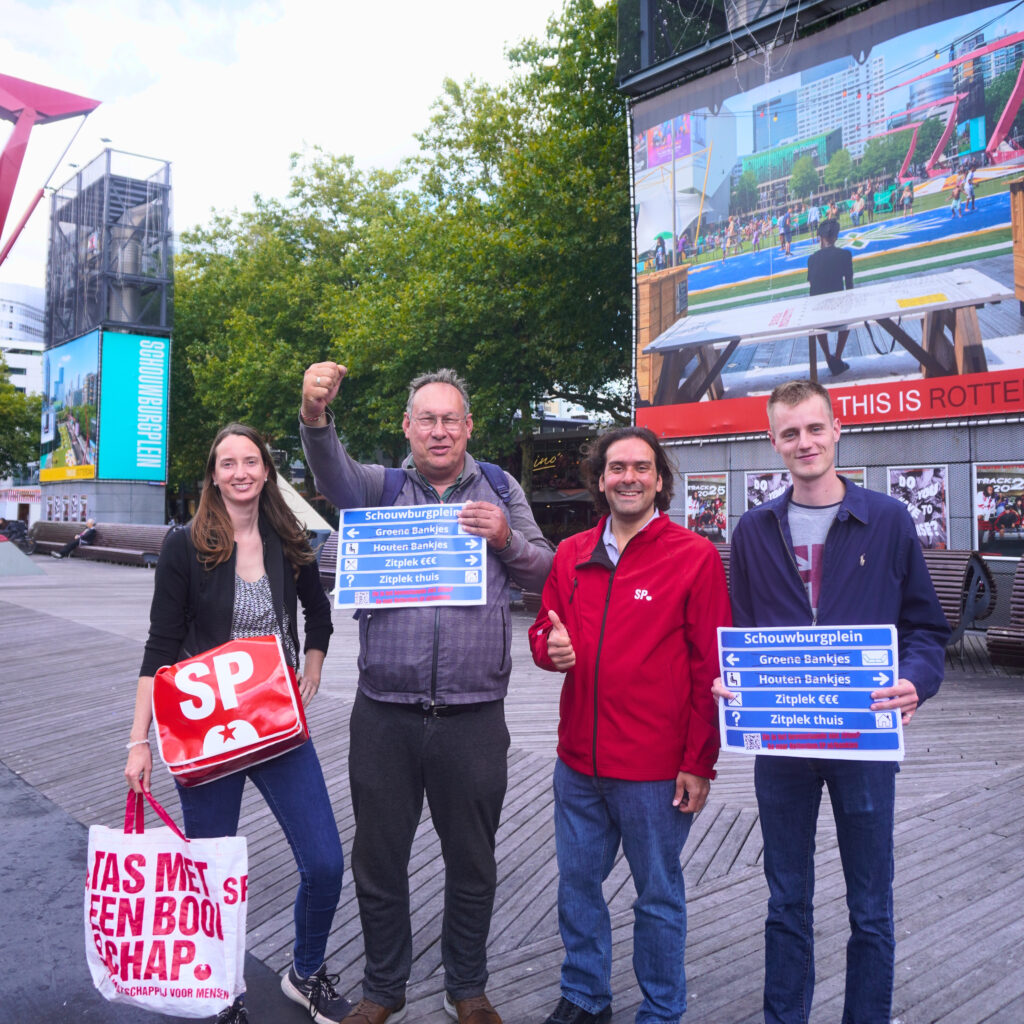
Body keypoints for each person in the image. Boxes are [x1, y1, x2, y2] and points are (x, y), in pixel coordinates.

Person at [299, 364, 554, 1024]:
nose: (439, 431)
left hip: (475, 713)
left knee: (473, 862)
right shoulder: (379, 489)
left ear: (468, 427)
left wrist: (505, 538)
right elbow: (330, 472)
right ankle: (384, 988)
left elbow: (547, 571)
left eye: (450, 420)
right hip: (385, 711)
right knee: (379, 860)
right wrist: (315, 417)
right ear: (407, 427)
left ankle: (466, 985)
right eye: (426, 420)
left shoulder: (501, 487)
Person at [714, 380, 949, 1024]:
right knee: (785, 900)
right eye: (790, 433)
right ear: (772, 441)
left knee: (871, 906)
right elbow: (741, 630)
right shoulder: (754, 529)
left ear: (837, 429)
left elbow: (926, 628)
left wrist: (916, 679)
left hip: (864, 739)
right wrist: (729, 678)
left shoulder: (888, 518)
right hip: (782, 742)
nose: (805, 442)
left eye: (815, 428)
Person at [124, 424, 347, 1024]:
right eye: (228, 463)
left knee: (326, 862)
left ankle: (304, 973)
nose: (241, 472)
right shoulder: (185, 545)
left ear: (266, 471)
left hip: (277, 722)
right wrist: (139, 741)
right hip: (207, 732)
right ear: (214, 475)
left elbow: (319, 613)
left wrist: (312, 667)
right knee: (210, 875)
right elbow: (159, 648)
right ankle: (222, 993)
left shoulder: (287, 537)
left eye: (251, 461)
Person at [527, 426, 730, 1024]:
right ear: (600, 479)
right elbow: (544, 630)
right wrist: (548, 649)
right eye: (617, 467)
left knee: (658, 896)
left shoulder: (693, 556)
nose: (629, 478)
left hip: (655, 770)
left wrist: (699, 761)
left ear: (660, 480)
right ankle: (585, 995)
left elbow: (711, 668)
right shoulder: (571, 553)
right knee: (577, 887)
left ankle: (662, 1009)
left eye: (642, 467)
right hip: (578, 764)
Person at [806, 218, 853, 376]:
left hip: (819, 313)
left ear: (820, 237)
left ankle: (828, 358)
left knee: (818, 323)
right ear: (836, 237)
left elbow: (812, 288)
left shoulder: (812, 259)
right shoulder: (845, 255)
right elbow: (850, 286)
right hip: (839, 311)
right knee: (849, 317)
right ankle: (837, 357)